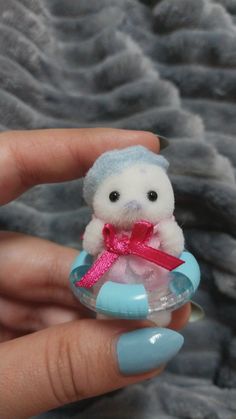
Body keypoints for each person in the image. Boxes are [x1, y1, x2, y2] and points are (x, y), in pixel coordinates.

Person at [0, 128, 190, 418]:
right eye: (115, 195)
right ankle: (112, 326)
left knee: (159, 310)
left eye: (151, 195)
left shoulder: (160, 228)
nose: (134, 204)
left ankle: (151, 317)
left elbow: (173, 243)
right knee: (109, 317)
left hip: (154, 282)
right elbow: (92, 242)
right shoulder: (105, 230)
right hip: (113, 283)